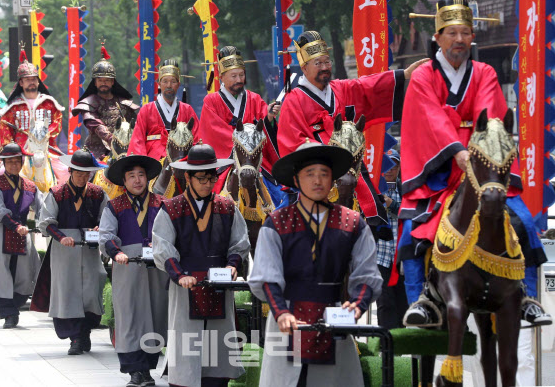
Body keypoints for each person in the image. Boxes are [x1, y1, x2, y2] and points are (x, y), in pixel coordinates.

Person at [399, 0, 550, 327]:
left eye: (465, 32)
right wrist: (457, 150)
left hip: (483, 171)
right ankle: (422, 303)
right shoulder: (424, 76)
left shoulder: (484, 73)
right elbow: (432, 119)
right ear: (437, 36)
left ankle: (524, 296)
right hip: (439, 175)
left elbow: (488, 113)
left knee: (523, 223)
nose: (459, 39)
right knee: (412, 234)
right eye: (451, 32)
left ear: (473, 35)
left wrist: (476, 155)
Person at [248, 141, 382, 386]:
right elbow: (266, 276)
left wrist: (357, 306)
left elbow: (367, 276)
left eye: (324, 174)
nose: (318, 180)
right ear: (296, 180)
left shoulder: (353, 223)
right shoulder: (276, 223)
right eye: (310, 174)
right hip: (285, 319)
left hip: (334, 318)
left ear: (333, 179)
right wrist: (281, 312)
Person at [152, 143, 250, 387]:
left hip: (219, 287)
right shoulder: (171, 208)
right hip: (184, 287)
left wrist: (232, 266)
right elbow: (162, 247)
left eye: (212, 178)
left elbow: (240, 243)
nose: (208, 183)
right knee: (186, 352)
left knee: (218, 352)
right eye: (202, 178)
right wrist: (179, 275)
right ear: (188, 177)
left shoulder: (227, 208)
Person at [277, 30, 421, 157]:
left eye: (327, 62)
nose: (325, 67)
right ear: (304, 68)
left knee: (367, 188)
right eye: (318, 63)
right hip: (317, 171)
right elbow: (291, 141)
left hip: (349, 165)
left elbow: (369, 85)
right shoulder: (293, 101)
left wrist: (404, 74)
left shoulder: (340, 89)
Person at [100, 153, 167, 387]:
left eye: (141, 175)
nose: (137, 180)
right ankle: (134, 372)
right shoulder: (114, 206)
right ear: (124, 181)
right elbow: (106, 236)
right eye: (132, 176)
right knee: (129, 317)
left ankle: (147, 370)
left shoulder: (161, 204)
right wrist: (116, 252)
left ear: (147, 178)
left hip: (157, 269)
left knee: (154, 316)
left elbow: (171, 234)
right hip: (126, 267)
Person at [32, 149, 107, 355]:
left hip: (89, 250)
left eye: (87, 174)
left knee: (91, 289)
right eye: (79, 173)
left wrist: (100, 228)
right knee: (67, 292)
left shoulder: (98, 193)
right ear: (71, 171)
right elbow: (45, 222)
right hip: (64, 250)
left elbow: (107, 218)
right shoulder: (57, 193)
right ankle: (75, 338)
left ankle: (85, 333)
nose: (83, 178)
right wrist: (61, 237)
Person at [198, 46, 280, 193]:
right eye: (234, 76)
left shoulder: (254, 98)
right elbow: (213, 133)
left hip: (254, 159)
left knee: (278, 191)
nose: (239, 80)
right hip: (227, 160)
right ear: (222, 76)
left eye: (241, 75)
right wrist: (243, 142)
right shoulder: (211, 101)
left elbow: (264, 125)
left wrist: (269, 117)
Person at [0, 142, 42, 328]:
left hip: (22, 233)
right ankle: (8, 313)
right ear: (4, 163)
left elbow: (42, 209)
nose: (14, 165)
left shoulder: (31, 186)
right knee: (2, 274)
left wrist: (44, 224)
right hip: (1, 231)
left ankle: (14, 307)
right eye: (10, 162)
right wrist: (15, 226)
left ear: (22, 162)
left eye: (17, 161)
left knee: (25, 274)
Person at [0, 51, 64, 192]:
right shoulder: (13, 106)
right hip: (19, 151)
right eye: (27, 79)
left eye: (34, 79)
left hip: (46, 149)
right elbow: (5, 130)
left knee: (65, 172)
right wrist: (12, 148)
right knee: (1, 173)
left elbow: (57, 122)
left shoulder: (49, 103)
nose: (32, 82)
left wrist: (46, 134)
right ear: (21, 83)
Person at [71, 45, 139, 161]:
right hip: (97, 151)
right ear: (95, 83)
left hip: (124, 149)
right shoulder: (88, 103)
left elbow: (135, 124)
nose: (104, 83)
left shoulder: (123, 103)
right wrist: (112, 139)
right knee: (88, 175)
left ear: (112, 82)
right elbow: (94, 124)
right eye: (100, 80)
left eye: (107, 80)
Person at [127, 59, 200, 160]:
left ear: (178, 85)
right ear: (159, 84)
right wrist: (142, 163)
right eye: (165, 81)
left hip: (183, 157)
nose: (169, 86)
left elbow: (197, 138)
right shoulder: (147, 110)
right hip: (154, 160)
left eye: (173, 82)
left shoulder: (187, 110)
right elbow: (138, 140)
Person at [376, 147, 408, 329]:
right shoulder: (374, 191)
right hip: (380, 255)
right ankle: (385, 345)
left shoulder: (406, 189)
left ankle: (399, 346)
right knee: (385, 301)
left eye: (394, 166)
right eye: (386, 166)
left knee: (403, 302)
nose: (389, 170)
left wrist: (393, 205)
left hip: (402, 256)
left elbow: (412, 213)